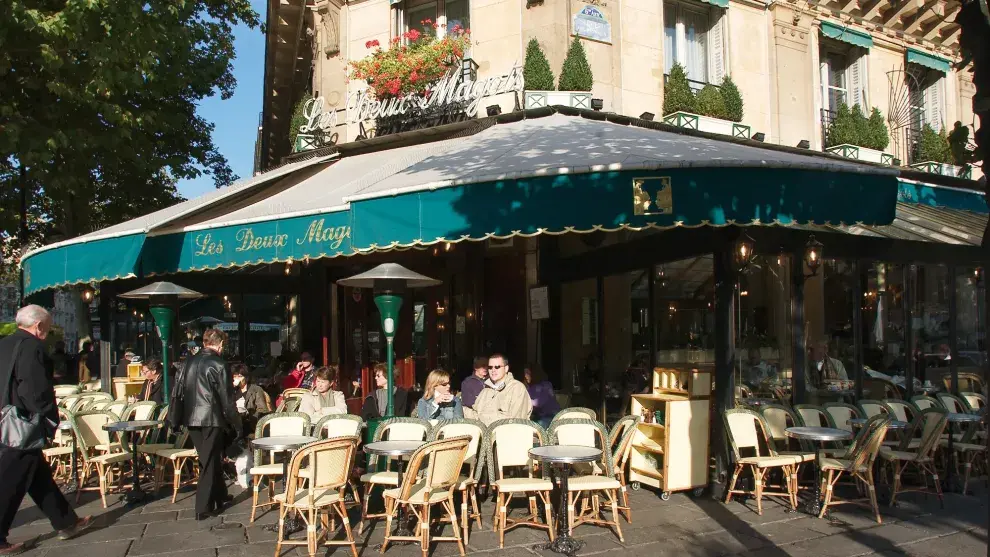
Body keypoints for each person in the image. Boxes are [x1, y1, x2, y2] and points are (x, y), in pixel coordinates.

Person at [0, 305, 93, 554]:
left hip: (5, 420)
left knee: (38, 477)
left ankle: (67, 522)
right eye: (48, 326)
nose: (48, 331)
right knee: (11, 481)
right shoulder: (33, 347)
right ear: (39, 325)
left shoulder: (4, 344)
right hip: (23, 424)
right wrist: (47, 419)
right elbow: (35, 389)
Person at [171, 328, 241, 520]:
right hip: (211, 417)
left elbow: (177, 393)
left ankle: (220, 494)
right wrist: (237, 424)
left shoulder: (187, 363)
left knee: (209, 456)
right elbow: (227, 400)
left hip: (191, 419)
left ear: (204, 343)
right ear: (220, 344)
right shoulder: (219, 364)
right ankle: (203, 506)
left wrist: (175, 419)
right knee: (209, 460)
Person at [464, 354, 532, 425]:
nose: (493, 370)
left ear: (506, 368)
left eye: (497, 367)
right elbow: (474, 415)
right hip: (484, 434)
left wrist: (482, 418)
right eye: (490, 367)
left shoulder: (517, 388)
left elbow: (515, 420)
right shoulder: (486, 390)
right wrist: (458, 407)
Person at [522, 363, 558, 428]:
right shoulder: (530, 387)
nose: (525, 375)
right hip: (539, 416)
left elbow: (538, 403)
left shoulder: (546, 385)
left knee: (534, 427)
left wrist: (523, 400)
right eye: (524, 373)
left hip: (551, 416)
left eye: (527, 373)